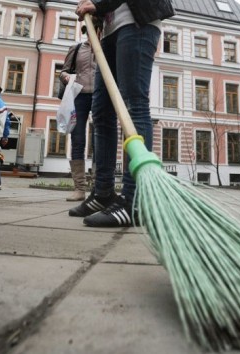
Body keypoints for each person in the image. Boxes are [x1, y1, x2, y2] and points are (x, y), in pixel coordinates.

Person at [70, 0, 175, 227]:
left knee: (134, 105)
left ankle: (134, 198)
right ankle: (103, 193)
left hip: (137, 23)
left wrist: (97, 5)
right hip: (110, 31)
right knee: (101, 112)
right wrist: (96, 13)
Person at [60, 22, 101, 201]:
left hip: (101, 95)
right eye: (89, 30)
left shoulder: (106, 48)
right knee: (78, 140)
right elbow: (63, 71)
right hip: (79, 97)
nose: (93, 32)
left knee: (100, 140)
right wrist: (66, 76)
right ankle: (79, 189)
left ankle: (99, 187)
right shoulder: (76, 49)